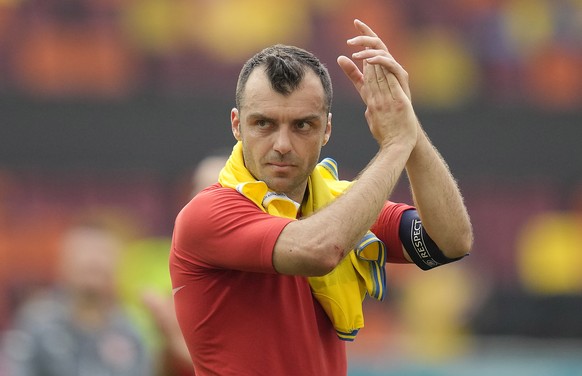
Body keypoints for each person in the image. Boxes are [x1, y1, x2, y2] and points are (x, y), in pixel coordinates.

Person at [169, 19, 473, 375]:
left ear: (326, 128)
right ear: (237, 124)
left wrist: (410, 129)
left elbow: (451, 241)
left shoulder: (339, 207)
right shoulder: (208, 213)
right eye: (264, 123)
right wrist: (395, 145)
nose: (282, 145)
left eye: (302, 125)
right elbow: (320, 248)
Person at [2, 219, 152, 376]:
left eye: (103, 252)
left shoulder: (131, 330)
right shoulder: (35, 322)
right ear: (63, 261)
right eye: (84, 252)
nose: (93, 261)